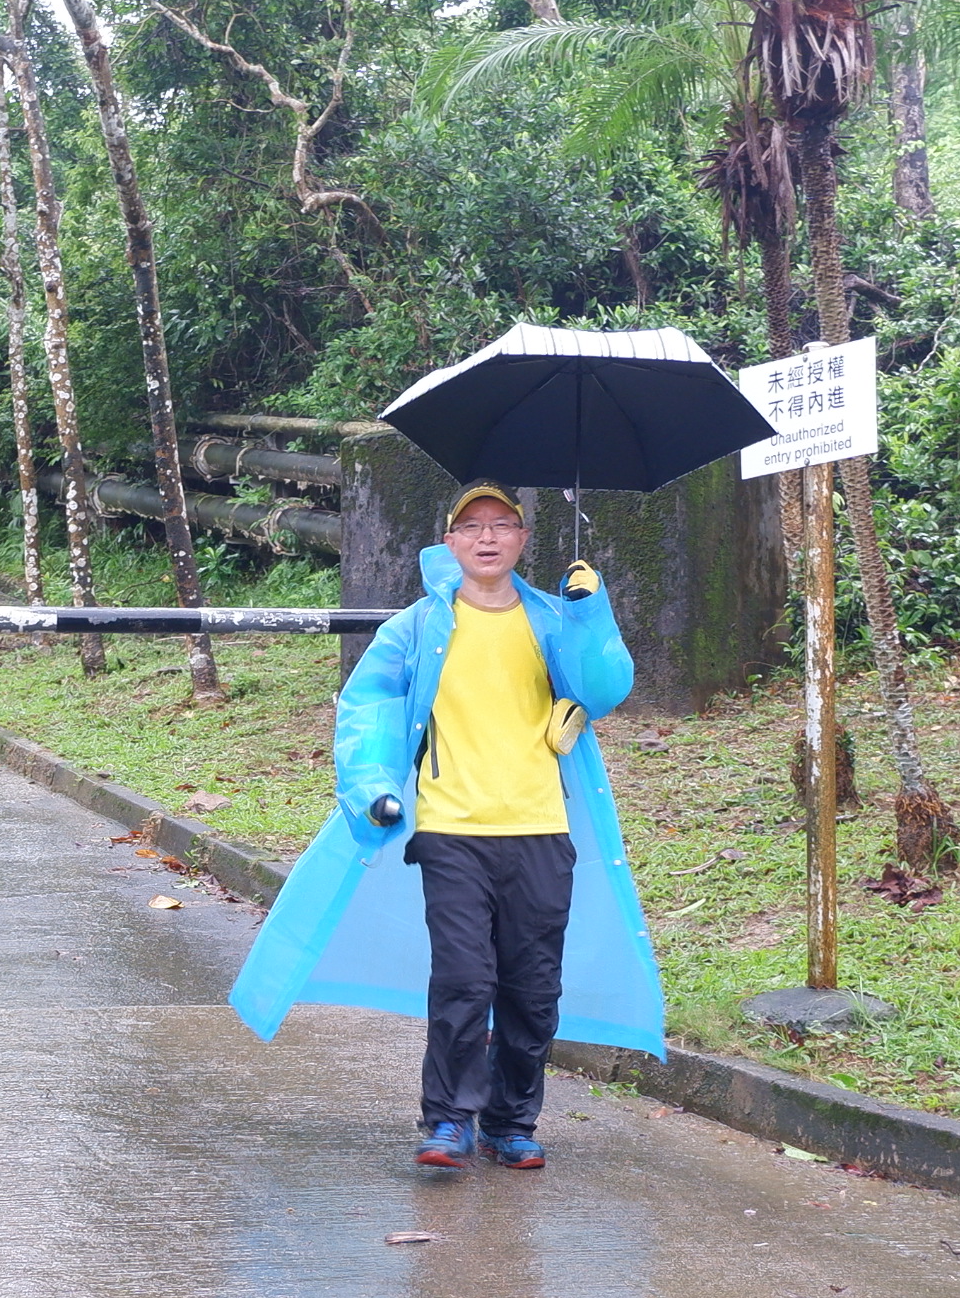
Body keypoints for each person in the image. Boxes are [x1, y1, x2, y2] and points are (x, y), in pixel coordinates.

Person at [229, 484, 665, 1171]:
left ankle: (511, 1123)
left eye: (502, 525)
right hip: (451, 831)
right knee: (464, 979)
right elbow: (369, 706)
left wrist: (589, 610)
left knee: (532, 988)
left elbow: (604, 688)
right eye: (472, 526)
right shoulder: (416, 627)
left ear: (522, 539)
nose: (487, 537)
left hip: (540, 829)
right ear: (450, 542)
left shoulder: (555, 620)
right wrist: (373, 789)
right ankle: (449, 1120)